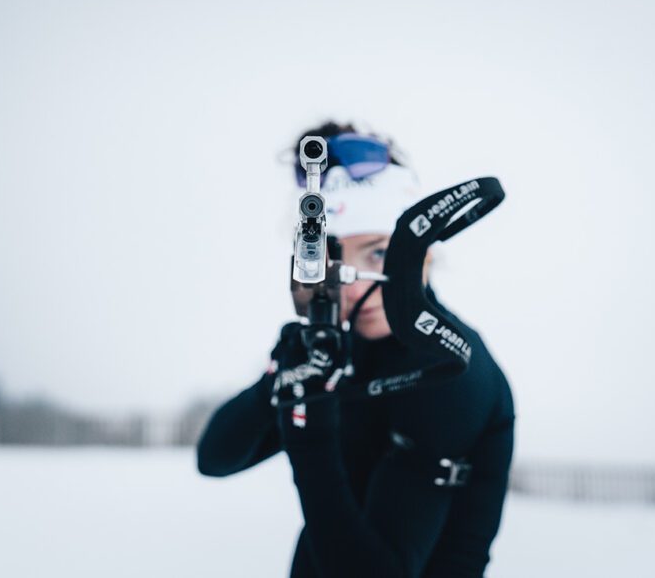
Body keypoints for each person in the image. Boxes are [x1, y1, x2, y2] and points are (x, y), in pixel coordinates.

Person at [196, 121, 515, 577]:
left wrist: (310, 439)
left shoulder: (449, 368)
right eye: (333, 261)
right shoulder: (339, 348)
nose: (353, 284)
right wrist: (278, 382)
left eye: (380, 253)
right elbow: (215, 458)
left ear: (424, 251)